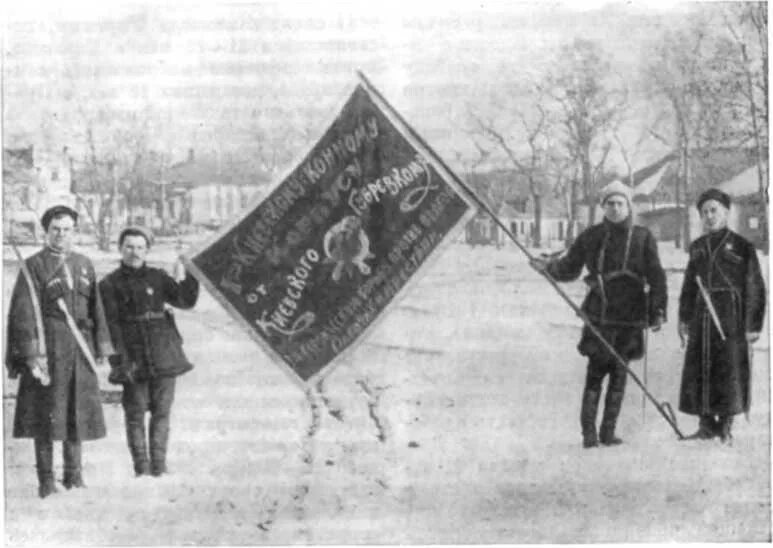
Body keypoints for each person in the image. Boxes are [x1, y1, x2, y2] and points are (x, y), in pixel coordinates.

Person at [531, 181, 667, 448]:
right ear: (603, 207)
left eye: (620, 204)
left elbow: (657, 277)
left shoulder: (643, 237)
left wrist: (658, 310)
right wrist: (548, 267)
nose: (615, 209)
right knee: (595, 374)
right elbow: (570, 268)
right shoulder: (591, 236)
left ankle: (608, 432)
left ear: (629, 206)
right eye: (610, 204)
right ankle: (589, 435)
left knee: (619, 376)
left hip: (630, 316)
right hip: (600, 314)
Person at [5, 205, 114, 498]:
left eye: (67, 229)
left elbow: (97, 307)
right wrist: (31, 356)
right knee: (46, 413)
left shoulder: (85, 264)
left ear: (74, 232)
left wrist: (101, 346)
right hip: (49, 350)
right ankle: (46, 481)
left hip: (79, 349)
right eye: (56, 229)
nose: (61, 235)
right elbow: (22, 313)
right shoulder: (34, 266)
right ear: (46, 231)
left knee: (75, 410)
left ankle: (74, 476)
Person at [99, 227, 199, 477]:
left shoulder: (158, 277)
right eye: (129, 247)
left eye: (140, 247)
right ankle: (141, 469)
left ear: (147, 250)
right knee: (135, 414)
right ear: (120, 248)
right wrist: (119, 362)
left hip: (164, 354)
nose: (134, 252)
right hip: (133, 359)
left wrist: (192, 272)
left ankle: (159, 467)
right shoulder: (109, 284)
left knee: (162, 412)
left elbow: (185, 300)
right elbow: (110, 326)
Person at [678, 188, 766, 443]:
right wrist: (684, 319)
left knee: (729, 371)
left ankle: (726, 426)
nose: (709, 216)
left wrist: (752, 325)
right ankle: (706, 424)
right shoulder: (697, 247)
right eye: (704, 212)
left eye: (714, 210)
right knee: (702, 368)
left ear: (726, 213)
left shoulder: (742, 246)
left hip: (731, 318)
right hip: (702, 316)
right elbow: (688, 287)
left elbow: (755, 288)